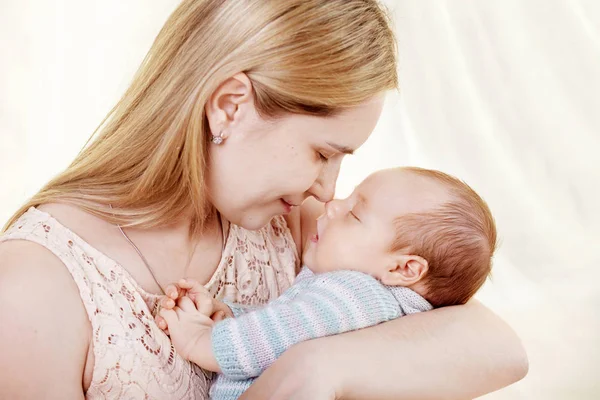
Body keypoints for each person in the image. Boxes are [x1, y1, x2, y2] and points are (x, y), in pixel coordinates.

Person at [0, 0, 527, 399]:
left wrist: (316, 367)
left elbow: (499, 347)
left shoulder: (298, 224)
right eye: (323, 154)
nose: (329, 190)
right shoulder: (33, 285)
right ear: (230, 107)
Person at [156, 166, 498, 399]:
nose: (332, 205)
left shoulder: (356, 293)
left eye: (354, 214)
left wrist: (202, 340)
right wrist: (229, 316)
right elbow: (289, 328)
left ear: (404, 269)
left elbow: (278, 334)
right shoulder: (372, 307)